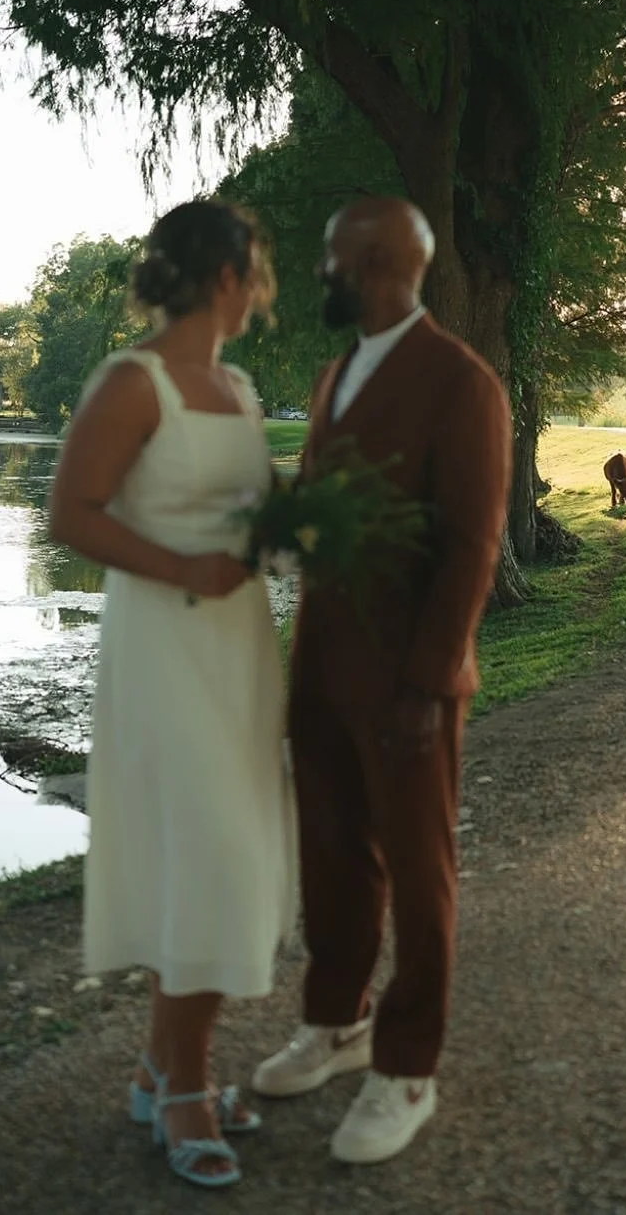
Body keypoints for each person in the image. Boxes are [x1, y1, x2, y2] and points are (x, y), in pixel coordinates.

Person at [253, 196, 512, 1164]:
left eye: (329, 259)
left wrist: (428, 681)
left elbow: (473, 546)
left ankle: (406, 1067)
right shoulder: (332, 375)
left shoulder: (462, 382)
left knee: (418, 869)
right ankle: (337, 1019)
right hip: (321, 665)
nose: (319, 275)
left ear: (374, 264)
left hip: (409, 683)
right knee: (331, 856)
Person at [48, 200, 297, 1190]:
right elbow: (71, 514)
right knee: (207, 853)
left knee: (232, 851)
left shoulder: (235, 387)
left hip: (239, 650)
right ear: (229, 276)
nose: (259, 292)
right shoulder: (132, 380)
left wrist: (313, 519)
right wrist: (183, 568)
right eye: (256, 273)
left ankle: (161, 1069)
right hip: (164, 648)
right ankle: (184, 1085)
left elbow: (259, 513)